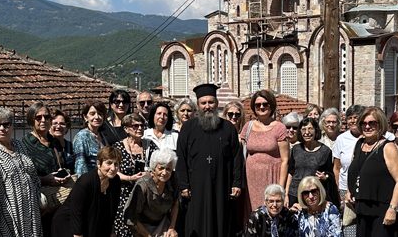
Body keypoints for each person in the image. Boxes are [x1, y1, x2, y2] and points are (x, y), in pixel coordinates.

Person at [175, 83, 244, 237]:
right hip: (195, 188)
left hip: (222, 186)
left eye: (211, 102)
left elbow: (236, 158)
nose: (207, 106)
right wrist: (183, 185)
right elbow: (181, 157)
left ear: (217, 103)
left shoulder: (228, 128)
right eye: (203, 103)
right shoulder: (188, 128)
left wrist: (236, 183)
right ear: (198, 105)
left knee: (222, 223)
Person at [0, 107, 43, 237]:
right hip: (6, 212)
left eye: (6, 124)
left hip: (31, 209)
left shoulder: (20, 145)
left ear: (12, 126)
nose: (1, 128)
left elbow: (33, 175)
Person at [346, 107, 398, 237]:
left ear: (380, 124)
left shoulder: (388, 147)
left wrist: (393, 209)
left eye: (372, 123)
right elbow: (356, 171)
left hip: (381, 211)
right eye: (364, 123)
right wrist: (349, 191)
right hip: (361, 209)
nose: (367, 126)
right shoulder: (359, 144)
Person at [51, 146, 122, 237]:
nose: (113, 168)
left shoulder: (115, 181)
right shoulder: (85, 181)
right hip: (69, 224)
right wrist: (78, 234)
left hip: (91, 223)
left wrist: (111, 231)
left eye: (116, 164)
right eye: (109, 163)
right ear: (98, 164)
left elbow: (112, 210)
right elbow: (77, 211)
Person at [240, 90, 289, 211]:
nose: (261, 107)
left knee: (271, 209)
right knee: (252, 212)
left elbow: (285, 160)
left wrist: (280, 188)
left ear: (271, 105)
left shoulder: (279, 127)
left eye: (265, 104)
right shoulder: (248, 126)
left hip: (272, 176)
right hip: (250, 178)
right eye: (258, 105)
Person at [124, 148, 179, 237]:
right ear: (153, 169)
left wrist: (171, 227)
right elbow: (131, 216)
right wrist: (148, 236)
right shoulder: (143, 184)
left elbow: (175, 204)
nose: (164, 173)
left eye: (168, 169)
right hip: (141, 226)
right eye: (161, 168)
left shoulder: (172, 181)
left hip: (162, 223)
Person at [285, 117, 336, 207]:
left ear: (316, 130)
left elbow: (330, 174)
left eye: (310, 129)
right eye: (303, 129)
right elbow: (290, 172)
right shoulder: (295, 149)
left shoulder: (325, 151)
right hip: (294, 194)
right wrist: (286, 194)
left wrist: (325, 177)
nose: (307, 132)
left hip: (313, 196)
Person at [332, 104, 364, 237]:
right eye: (349, 118)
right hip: (346, 190)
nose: (352, 121)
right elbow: (336, 168)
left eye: (355, 117)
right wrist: (339, 190)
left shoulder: (370, 136)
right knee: (349, 227)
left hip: (366, 190)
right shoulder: (341, 139)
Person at [114, 113, 148, 237]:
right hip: (123, 196)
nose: (140, 128)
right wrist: (129, 178)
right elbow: (113, 171)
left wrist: (148, 174)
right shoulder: (118, 147)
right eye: (135, 126)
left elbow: (157, 167)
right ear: (126, 129)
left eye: (142, 125)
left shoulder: (150, 146)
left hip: (143, 196)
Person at [21, 102, 69, 189]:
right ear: (31, 120)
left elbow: (63, 165)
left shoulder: (55, 141)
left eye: (46, 117)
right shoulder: (25, 144)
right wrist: (44, 180)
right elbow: (22, 177)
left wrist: (64, 174)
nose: (43, 120)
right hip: (39, 196)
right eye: (38, 117)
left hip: (60, 193)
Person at [73, 100, 107, 176]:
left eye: (100, 114)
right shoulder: (82, 136)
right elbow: (80, 165)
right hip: (90, 181)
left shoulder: (103, 136)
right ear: (85, 117)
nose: (97, 117)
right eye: (92, 114)